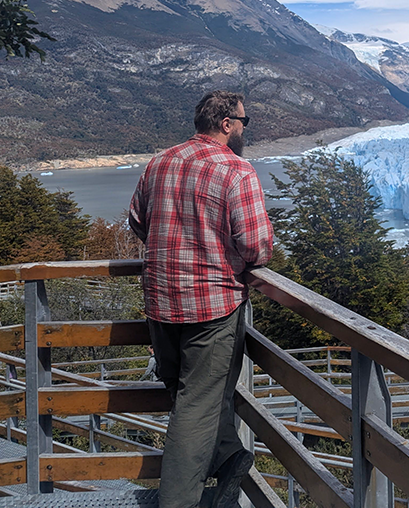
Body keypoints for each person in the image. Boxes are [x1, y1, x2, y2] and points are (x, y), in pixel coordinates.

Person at [129, 90, 274, 508]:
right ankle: (178, 503)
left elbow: (138, 220)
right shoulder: (236, 170)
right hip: (211, 306)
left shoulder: (160, 162)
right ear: (227, 124)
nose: (246, 129)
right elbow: (256, 247)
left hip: (161, 301)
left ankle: (229, 457)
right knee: (197, 406)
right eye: (245, 121)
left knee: (185, 392)